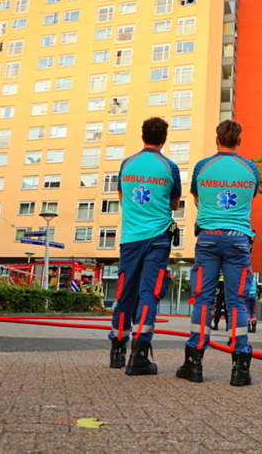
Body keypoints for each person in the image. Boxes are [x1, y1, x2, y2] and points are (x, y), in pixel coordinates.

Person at [177, 120, 258, 386]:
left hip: (208, 237)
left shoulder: (203, 166)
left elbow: (197, 199)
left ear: (216, 139)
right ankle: (241, 368)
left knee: (203, 299)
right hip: (239, 239)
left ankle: (194, 363)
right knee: (237, 302)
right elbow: (248, 200)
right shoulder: (251, 169)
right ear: (239, 141)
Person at [108, 117, 181, 375]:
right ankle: (140, 355)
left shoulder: (127, 164)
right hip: (158, 238)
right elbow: (174, 204)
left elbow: (122, 197)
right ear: (164, 139)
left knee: (125, 291)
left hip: (130, 238)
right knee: (149, 292)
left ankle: (117, 349)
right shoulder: (169, 167)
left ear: (142, 136)